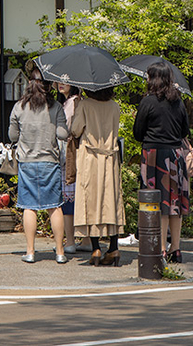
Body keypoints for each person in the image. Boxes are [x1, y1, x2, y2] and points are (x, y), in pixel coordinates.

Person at [132, 61, 192, 264]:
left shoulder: (147, 102)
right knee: (174, 204)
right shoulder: (178, 102)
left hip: (153, 156)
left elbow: (137, 133)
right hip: (176, 155)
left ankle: (161, 250)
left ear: (153, 79)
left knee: (158, 203)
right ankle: (176, 248)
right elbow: (185, 131)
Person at [8, 69, 69, 264]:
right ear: (48, 86)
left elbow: (13, 137)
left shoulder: (19, 107)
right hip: (49, 162)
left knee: (29, 207)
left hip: (27, 162)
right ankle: (60, 252)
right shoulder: (56, 107)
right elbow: (61, 134)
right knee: (55, 207)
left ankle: (30, 252)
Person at [70, 85, 124, 265]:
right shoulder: (115, 106)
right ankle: (114, 247)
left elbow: (75, 130)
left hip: (90, 158)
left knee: (91, 200)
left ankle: (95, 248)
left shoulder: (85, 105)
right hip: (110, 157)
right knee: (111, 200)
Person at [56, 81, 82, 253]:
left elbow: (70, 129)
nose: (60, 84)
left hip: (70, 152)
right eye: (58, 80)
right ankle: (85, 239)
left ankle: (70, 241)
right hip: (74, 152)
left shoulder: (73, 102)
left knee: (68, 198)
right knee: (77, 196)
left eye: (66, 81)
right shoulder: (72, 101)